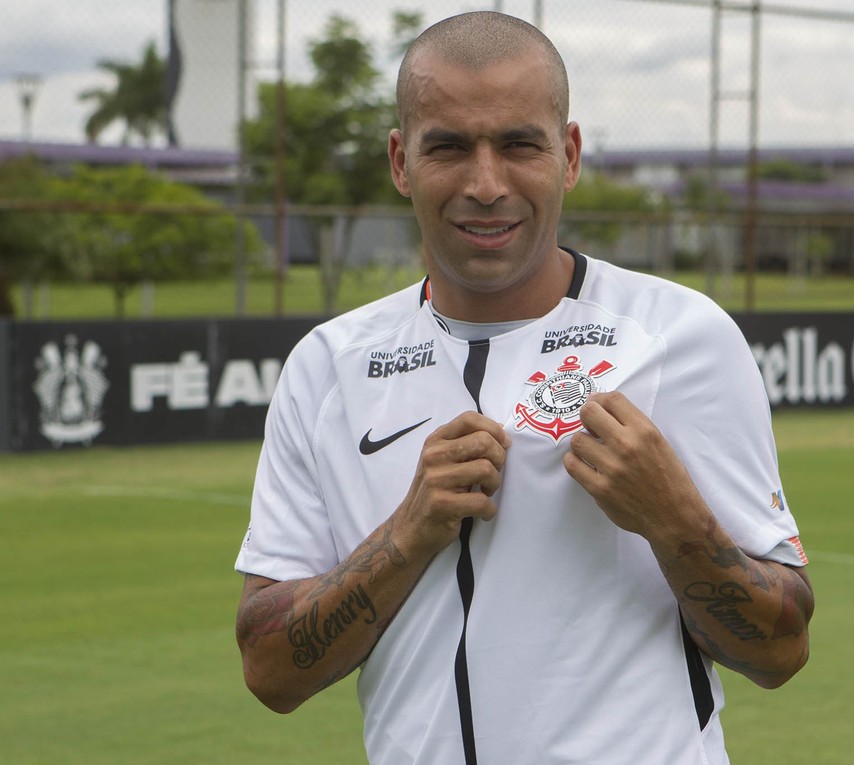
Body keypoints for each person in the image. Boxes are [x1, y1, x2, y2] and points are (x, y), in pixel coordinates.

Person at [235, 11, 814, 765]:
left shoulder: (680, 337)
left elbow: (782, 648)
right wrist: (407, 532)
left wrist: (674, 520)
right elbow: (269, 669)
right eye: (447, 147)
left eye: (518, 145)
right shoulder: (327, 367)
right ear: (401, 161)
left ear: (567, 155)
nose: (485, 184)